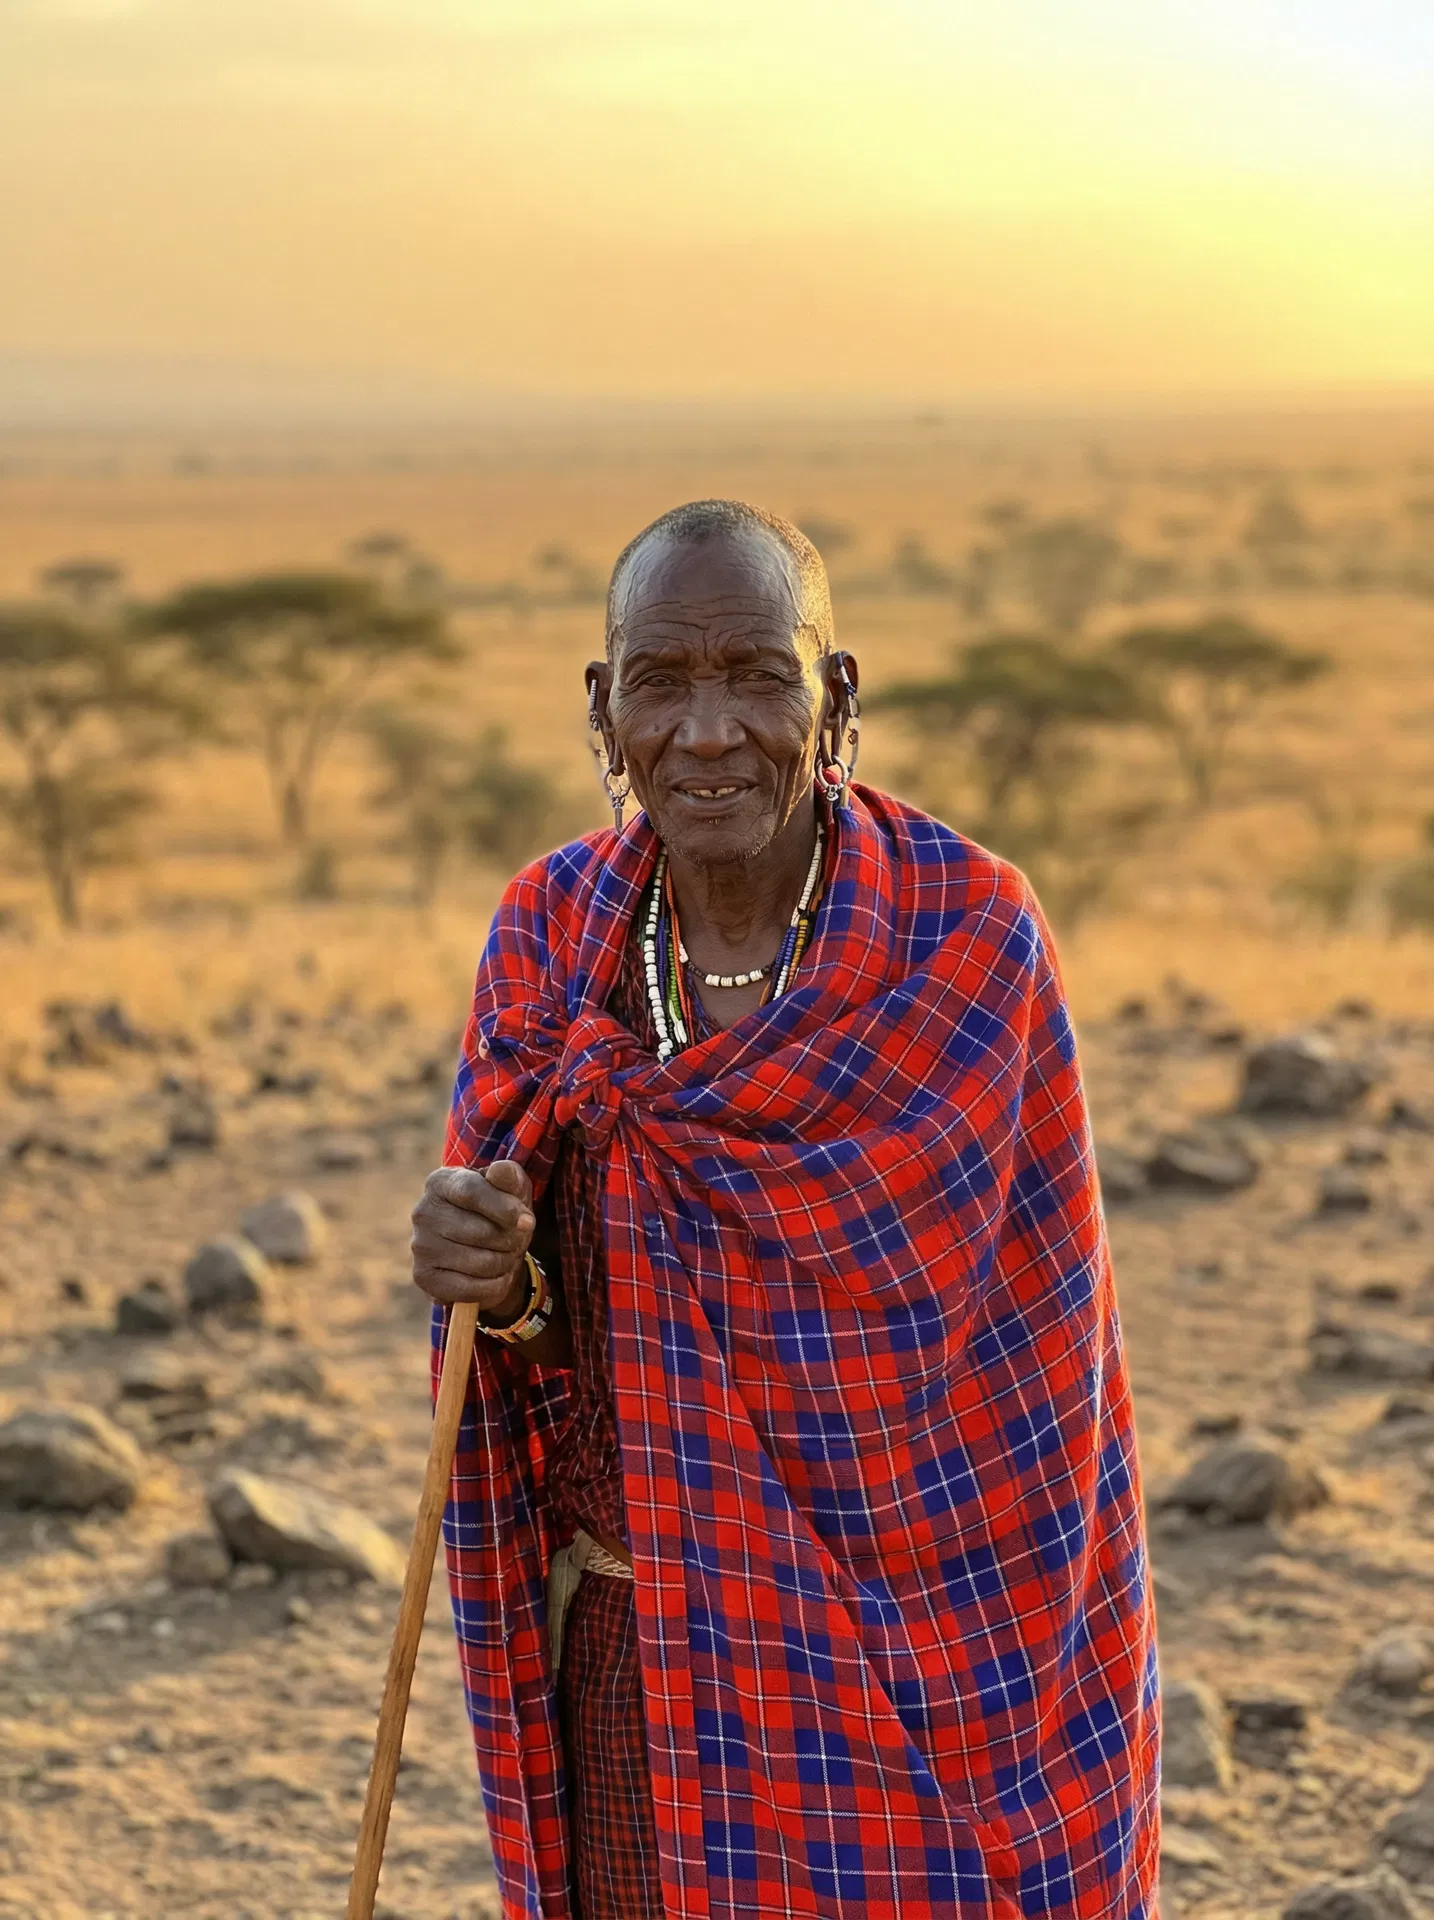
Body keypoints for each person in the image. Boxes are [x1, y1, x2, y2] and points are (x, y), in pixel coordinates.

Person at [410, 500, 1159, 1920]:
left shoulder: (965, 937)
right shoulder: (550, 933)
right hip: (637, 1653)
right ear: (601, 707)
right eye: (662, 681)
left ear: (836, 696)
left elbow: (1022, 1382)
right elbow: (536, 1348)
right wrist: (489, 1280)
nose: (707, 731)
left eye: (758, 674)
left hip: (929, 1664)